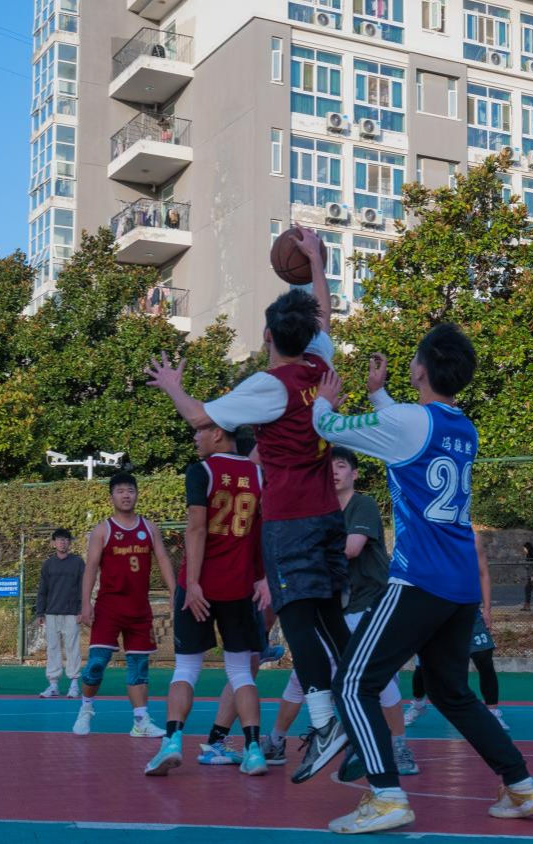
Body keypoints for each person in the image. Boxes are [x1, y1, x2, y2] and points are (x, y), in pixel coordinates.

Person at [314, 329, 533, 834]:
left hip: (419, 579)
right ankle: (522, 785)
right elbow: (409, 434)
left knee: (352, 684)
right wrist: (378, 394)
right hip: (461, 585)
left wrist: (323, 400)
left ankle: (386, 796)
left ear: (419, 369)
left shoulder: (407, 421)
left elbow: (329, 426)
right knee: (451, 692)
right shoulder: (465, 427)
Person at [146, 224, 351, 785]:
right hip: (327, 515)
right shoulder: (319, 366)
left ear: (267, 335)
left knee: (297, 620)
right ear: (309, 333)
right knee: (330, 620)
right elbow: (325, 316)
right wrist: (315, 262)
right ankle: (356, 710)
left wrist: (173, 385)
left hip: (290, 519)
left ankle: (324, 721)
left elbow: (200, 417)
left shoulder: (270, 384)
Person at [269, 445, 417, 778]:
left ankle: (398, 746)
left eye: (340, 466)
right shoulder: (317, 509)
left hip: (369, 604)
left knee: (373, 676)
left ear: (354, 473)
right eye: (328, 467)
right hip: (333, 606)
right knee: (303, 674)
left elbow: (351, 549)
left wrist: (302, 553)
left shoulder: (362, 505)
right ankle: (275, 741)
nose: (333, 472)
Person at [144, 424, 271, 777]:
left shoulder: (202, 471)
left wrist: (193, 583)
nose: (195, 437)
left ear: (217, 433)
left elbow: (197, 527)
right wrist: (262, 576)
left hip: (200, 586)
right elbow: (263, 530)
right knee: (241, 672)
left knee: (186, 668)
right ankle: (254, 751)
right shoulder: (259, 474)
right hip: (240, 586)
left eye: (200, 430)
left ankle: (172, 742)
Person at [73, 472, 177, 738]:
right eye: (120, 491)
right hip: (109, 607)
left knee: (139, 667)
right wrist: (85, 604)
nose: (126, 495)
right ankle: (86, 708)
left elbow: (163, 559)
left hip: (139, 608)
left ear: (137, 494)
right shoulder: (102, 530)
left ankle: (140, 721)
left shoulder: (149, 528)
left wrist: (174, 592)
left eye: (130, 490)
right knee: (97, 664)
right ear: (111, 497)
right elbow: (91, 568)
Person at [405, 534, 508, 731]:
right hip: (434, 609)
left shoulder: (472, 538)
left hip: (467, 609)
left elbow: (483, 573)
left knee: (484, 658)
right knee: (424, 665)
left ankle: (493, 712)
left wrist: (487, 609)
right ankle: (418, 705)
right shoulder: (428, 535)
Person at [35, 528, 85, 699]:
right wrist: (40, 612)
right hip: (51, 613)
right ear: (53, 543)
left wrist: (82, 610)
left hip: (72, 613)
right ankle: (53, 685)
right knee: (53, 648)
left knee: (72, 648)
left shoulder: (78, 562)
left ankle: (74, 685)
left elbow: (83, 588)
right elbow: (43, 590)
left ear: (69, 543)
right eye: (59, 540)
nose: (62, 543)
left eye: (65, 540)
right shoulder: (48, 564)